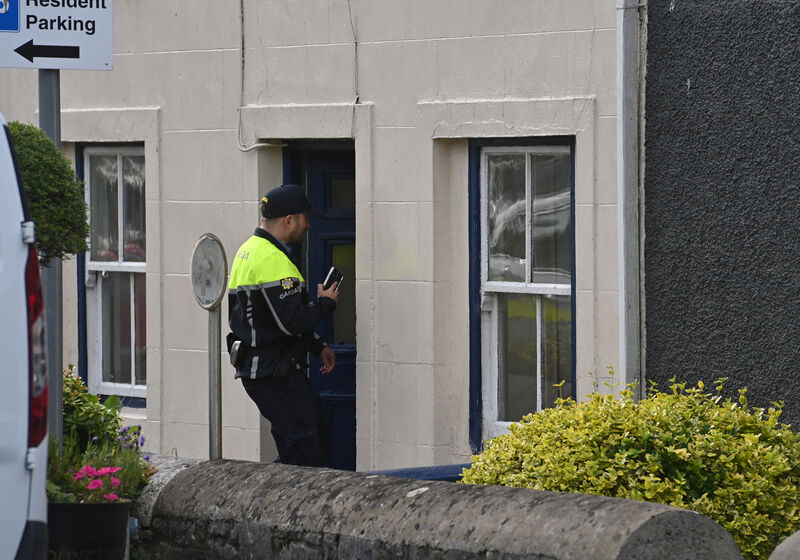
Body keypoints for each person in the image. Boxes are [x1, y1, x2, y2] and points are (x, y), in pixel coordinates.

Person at [227, 184, 340, 467]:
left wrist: (316, 346)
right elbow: (292, 321)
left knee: (296, 442)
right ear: (289, 219)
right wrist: (326, 303)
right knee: (309, 444)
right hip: (274, 372)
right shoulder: (271, 257)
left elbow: (268, 320)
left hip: (264, 370)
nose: (309, 224)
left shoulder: (248, 250)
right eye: (305, 217)